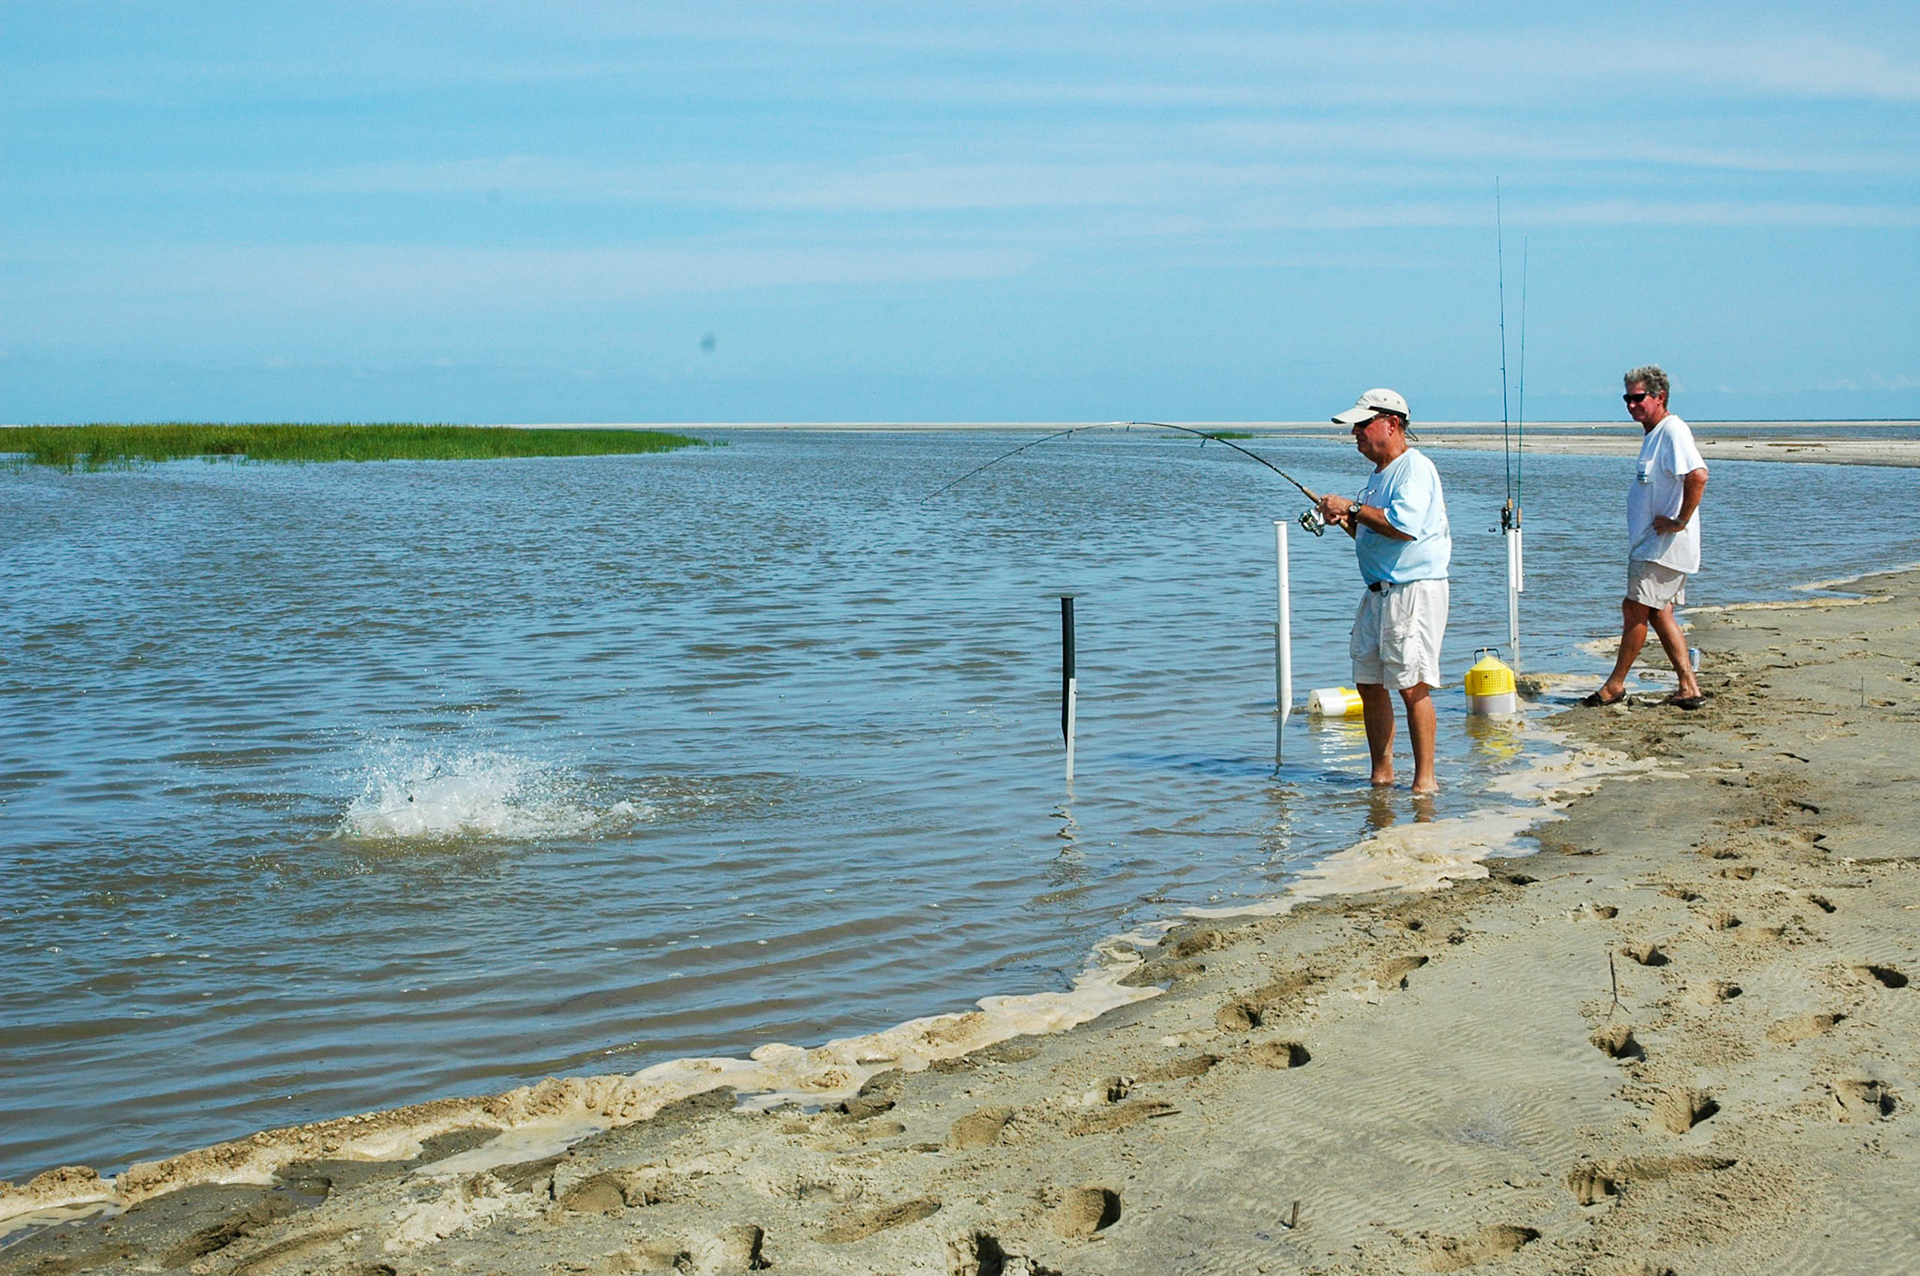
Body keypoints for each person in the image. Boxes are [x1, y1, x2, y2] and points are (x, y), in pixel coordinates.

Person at [1316, 389, 1452, 793]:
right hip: (1377, 592)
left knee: (1413, 684)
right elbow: (1374, 533)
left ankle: (1424, 782)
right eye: (1354, 427)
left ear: (1391, 423)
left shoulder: (1414, 468)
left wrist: (1352, 507)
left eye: (1363, 424)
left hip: (1412, 591)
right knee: (1369, 682)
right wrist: (1345, 519)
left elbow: (1403, 526)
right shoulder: (1379, 475)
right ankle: (1382, 775)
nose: (1355, 433)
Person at [1583, 364, 1709, 710]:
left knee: (1635, 609)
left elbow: (1698, 476)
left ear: (1659, 397)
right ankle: (1688, 686)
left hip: (1661, 548)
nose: (1631, 405)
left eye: (1638, 398)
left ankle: (1615, 685)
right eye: (1627, 398)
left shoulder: (1672, 431)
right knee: (1659, 612)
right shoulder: (1655, 434)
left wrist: (1680, 521)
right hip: (1650, 545)